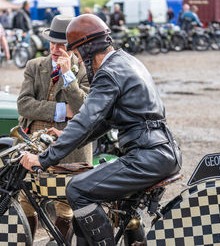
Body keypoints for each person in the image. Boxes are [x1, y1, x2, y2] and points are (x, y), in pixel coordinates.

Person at [20, 14, 182, 245]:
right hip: (160, 151)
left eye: (75, 53)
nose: (75, 58)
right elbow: (101, 123)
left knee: (77, 189)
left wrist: (44, 158)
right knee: (123, 206)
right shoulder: (127, 61)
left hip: (147, 155)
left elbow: (85, 118)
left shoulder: (108, 73)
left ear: (86, 50)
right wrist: (64, 138)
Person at [17, 15, 92, 244]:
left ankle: (57, 242)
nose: (56, 49)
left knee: (65, 203)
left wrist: (69, 76)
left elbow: (84, 109)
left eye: (62, 44)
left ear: (73, 47)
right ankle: (26, 241)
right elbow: (24, 104)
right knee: (25, 199)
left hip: (68, 148)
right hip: (33, 145)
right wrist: (62, 110)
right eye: (52, 42)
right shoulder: (34, 66)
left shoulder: (85, 71)